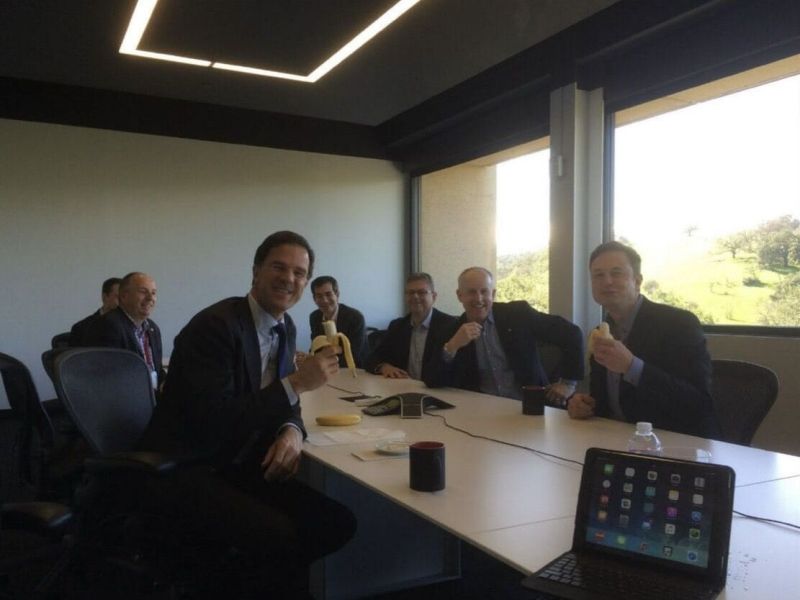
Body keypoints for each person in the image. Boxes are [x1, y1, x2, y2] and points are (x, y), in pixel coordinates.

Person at [143, 231, 355, 597]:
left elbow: (288, 403)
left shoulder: (286, 326)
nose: (288, 278)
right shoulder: (216, 326)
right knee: (280, 536)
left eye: (299, 273)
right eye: (278, 267)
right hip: (191, 463)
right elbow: (213, 420)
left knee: (337, 523)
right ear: (256, 271)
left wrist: (291, 430)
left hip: (239, 459)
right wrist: (297, 383)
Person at [567, 241, 720, 438]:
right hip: (616, 440)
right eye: (598, 275)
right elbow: (607, 404)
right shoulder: (600, 333)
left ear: (637, 281)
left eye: (616, 273)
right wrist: (585, 405)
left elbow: (699, 403)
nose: (607, 281)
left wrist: (631, 366)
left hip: (677, 443)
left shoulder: (678, 323)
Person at [423, 267, 583, 403]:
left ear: (493, 294)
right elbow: (431, 380)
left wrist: (568, 383)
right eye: (471, 292)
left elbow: (571, 333)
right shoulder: (451, 330)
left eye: (484, 291)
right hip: (480, 412)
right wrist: (452, 346)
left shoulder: (518, 314)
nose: (478, 298)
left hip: (530, 407)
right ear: (460, 295)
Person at [365, 272, 457, 380]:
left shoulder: (450, 325)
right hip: (404, 386)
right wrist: (384, 367)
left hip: (437, 387)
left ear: (434, 296)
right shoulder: (398, 326)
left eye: (421, 292)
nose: (415, 296)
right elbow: (371, 358)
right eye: (410, 292)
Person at [84, 272, 165, 390]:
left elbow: (157, 371)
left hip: (151, 395)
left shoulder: (153, 328)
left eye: (153, 293)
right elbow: (107, 377)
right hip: (123, 398)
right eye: (143, 292)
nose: (150, 298)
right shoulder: (108, 325)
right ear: (123, 296)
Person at [308, 275, 368, 368]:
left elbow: (354, 354)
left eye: (328, 294)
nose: (324, 300)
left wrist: (323, 358)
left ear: (337, 294)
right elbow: (316, 348)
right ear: (314, 299)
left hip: (356, 369)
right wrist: (308, 358)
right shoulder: (314, 317)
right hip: (327, 368)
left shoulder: (355, 318)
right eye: (319, 296)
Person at [67, 277, 121, 346]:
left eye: (124, 297)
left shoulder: (131, 327)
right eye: (118, 297)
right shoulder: (81, 328)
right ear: (105, 297)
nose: (123, 302)